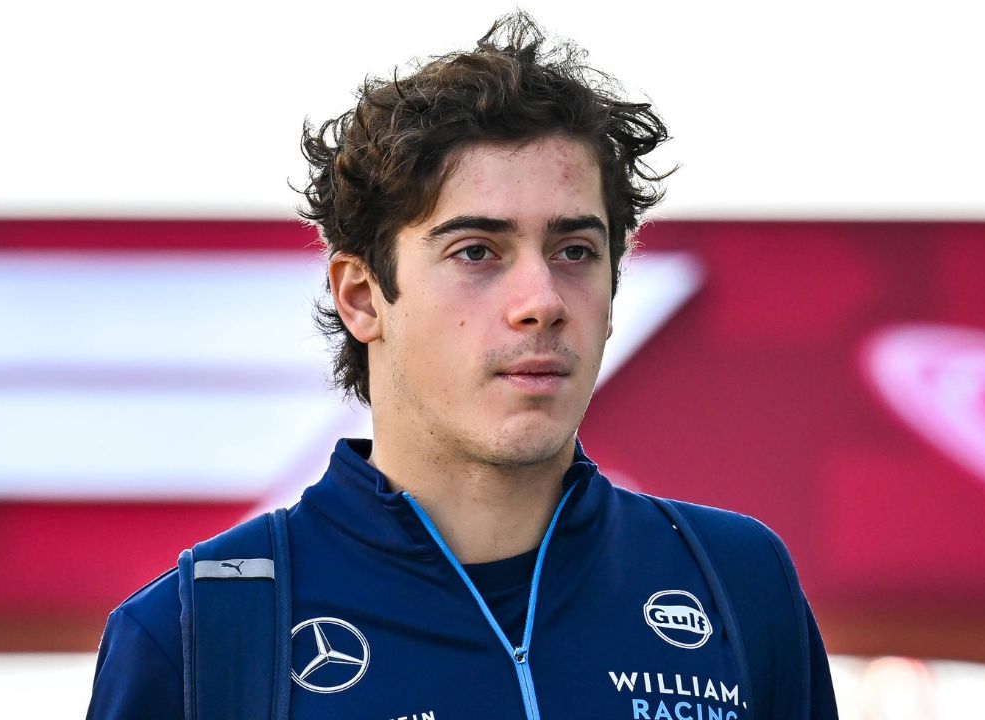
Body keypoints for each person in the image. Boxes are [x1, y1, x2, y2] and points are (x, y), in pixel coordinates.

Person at [87, 12, 837, 720]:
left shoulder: (738, 585)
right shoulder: (195, 635)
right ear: (362, 297)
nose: (541, 300)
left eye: (575, 251)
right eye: (476, 252)